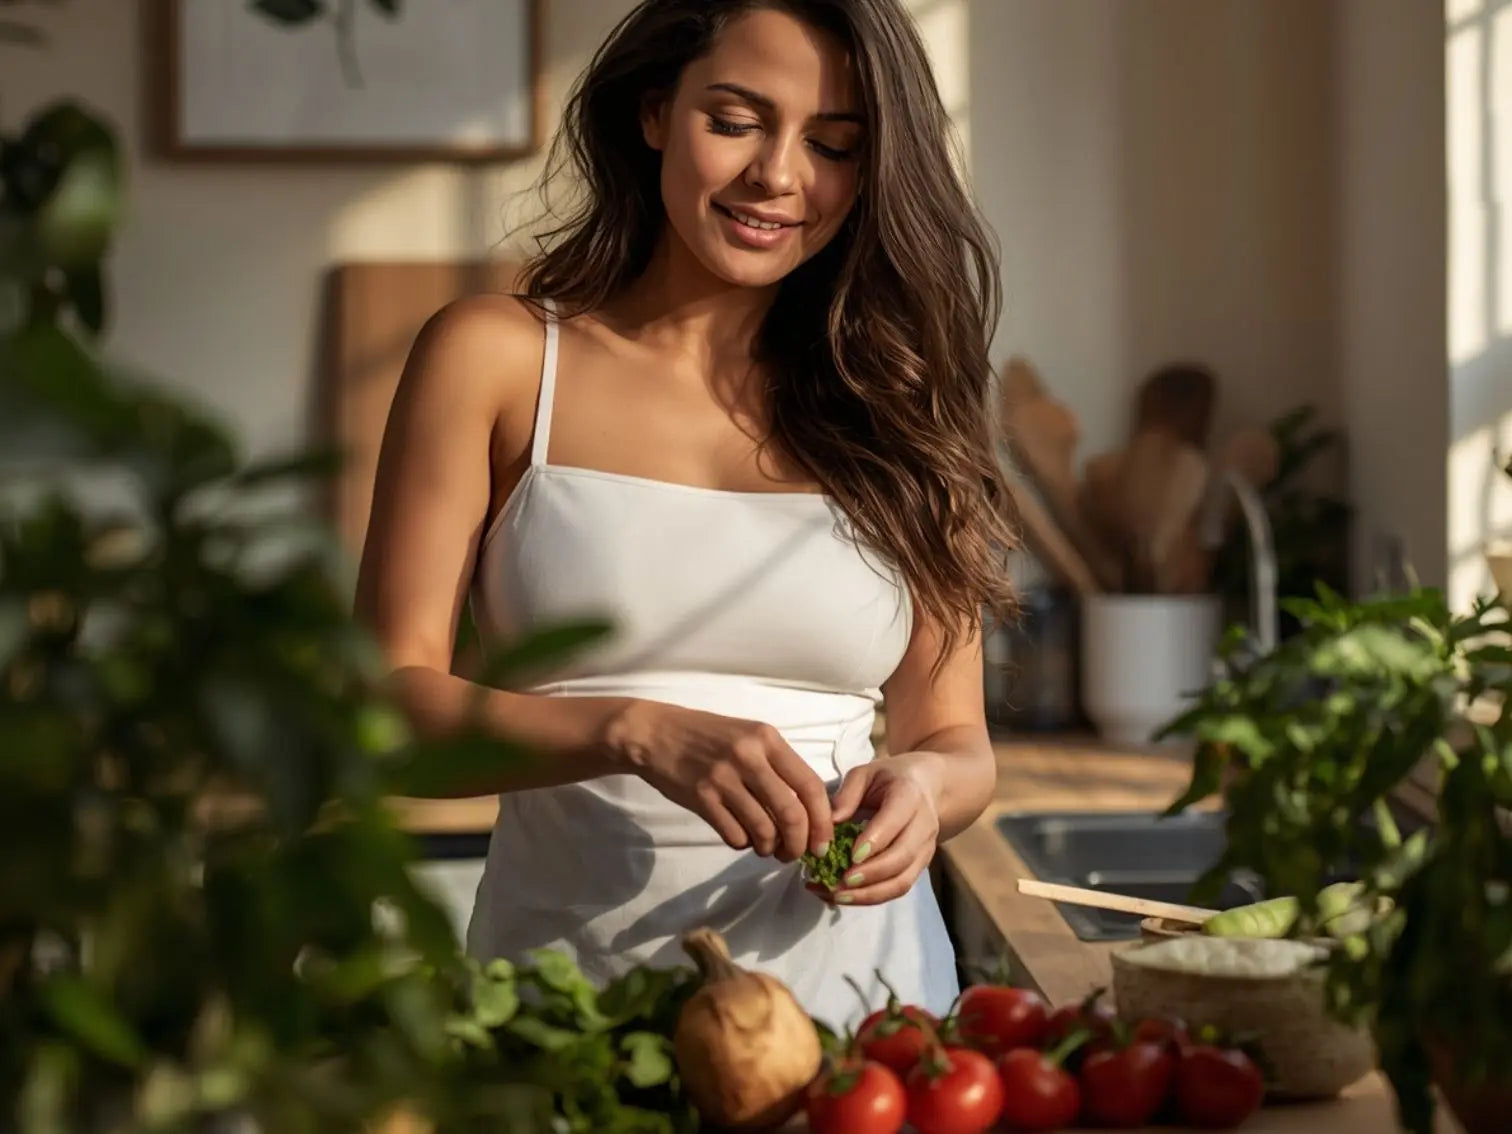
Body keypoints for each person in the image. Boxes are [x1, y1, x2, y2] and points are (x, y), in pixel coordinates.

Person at [355, 0, 1016, 1032]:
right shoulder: (498, 358)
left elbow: (955, 739)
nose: (779, 176)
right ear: (655, 111)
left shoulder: (903, 402)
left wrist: (926, 788)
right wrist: (632, 730)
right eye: (737, 121)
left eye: (834, 145)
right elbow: (382, 716)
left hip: (868, 1030)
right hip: (569, 1021)